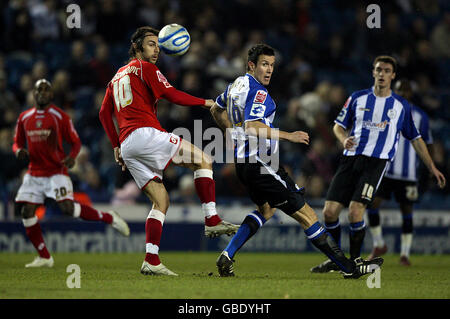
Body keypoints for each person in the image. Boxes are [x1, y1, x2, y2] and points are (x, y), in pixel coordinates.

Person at [210, 43, 384, 279]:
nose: (269, 70)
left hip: (244, 164)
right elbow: (252, 126)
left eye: (272, 65)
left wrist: (231, 133)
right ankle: (348, 268)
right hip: (261, 163)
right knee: (308, 215)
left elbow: (215, 109)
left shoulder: (234, 86)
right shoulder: (259, 92)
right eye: (264, 64)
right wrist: (288, 135)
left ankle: (227, 255)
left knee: (266, 210)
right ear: (251, 65)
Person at [99, 26, 239, 276]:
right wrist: (206, 102)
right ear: (137, 47)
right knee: (204, 160)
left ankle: (150, 260)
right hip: (144, 134)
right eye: (151, 44)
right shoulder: (144, 68)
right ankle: (211, 219)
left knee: (160, 200)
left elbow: (103, 113)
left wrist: (116, 146)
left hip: (129, 144)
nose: (156, 49)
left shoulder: (116, 76)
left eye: (157, 45)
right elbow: (170, 93)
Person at [310, 56, 446, 273]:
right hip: (350, 159)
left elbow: (416, 139)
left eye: (387, 71)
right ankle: (337, 259)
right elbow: (337, 126)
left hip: (376, 163)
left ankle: (354, 262)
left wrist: (431, 167)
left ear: (393, 75)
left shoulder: (400, 106)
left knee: (356, 212)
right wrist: (343, 139)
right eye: (378, 69)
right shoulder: (357, 98)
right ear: (373, 72)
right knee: (329, 213)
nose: (382, 74)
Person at [13, 79, 130, 268]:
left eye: (46, 90)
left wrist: (72, 157)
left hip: (55, 172)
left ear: (51, 95)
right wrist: (18, 150)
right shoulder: (24, 117)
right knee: (27, 212)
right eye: (39, 90)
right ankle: (44, 256)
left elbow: (76, 142)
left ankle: (110, 218)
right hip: (34, 173)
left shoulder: (60, 117)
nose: (42, 93)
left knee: (67, 209)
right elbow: (17, 142)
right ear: (33, 94)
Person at [366, 79, 434, 266]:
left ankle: (405, 254)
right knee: (371, 204)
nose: (403, 93)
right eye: (399, 90)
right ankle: (379, 243)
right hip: (386, 170)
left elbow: (427, 144)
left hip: (408, 175)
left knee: (407, 211)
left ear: (411, 93)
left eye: (406, 90)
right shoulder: (385, 110)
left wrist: (430, 168)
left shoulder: (421, 116)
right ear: (394, 91)